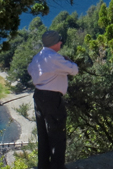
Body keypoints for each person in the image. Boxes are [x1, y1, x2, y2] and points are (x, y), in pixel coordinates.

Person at [28, 30, 79, 169]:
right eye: (59, 41)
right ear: (55, 43)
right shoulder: (55, 58)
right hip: (52, 98)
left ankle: (43, 165)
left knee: (43, 134)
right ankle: (57, 166)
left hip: (39, 96)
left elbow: (30, 70)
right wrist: (69, 62)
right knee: (57, 133)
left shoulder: (37, 57)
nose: (61, 42)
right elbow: (74, 70)